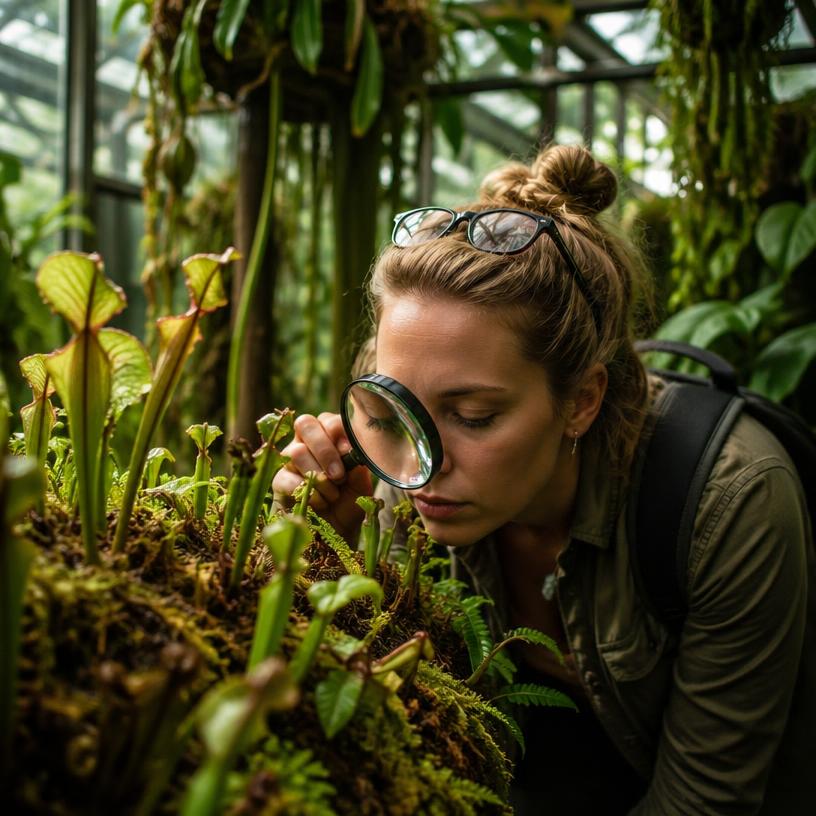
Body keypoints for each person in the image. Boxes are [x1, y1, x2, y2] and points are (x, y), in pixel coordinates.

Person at [272, 144, 816, 815]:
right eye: (392, 411)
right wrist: (326, 552)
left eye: (473, 416)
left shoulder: (729, 498)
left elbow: (705, 801)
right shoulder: (396, 477)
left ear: (583, 400)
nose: (419, 471)